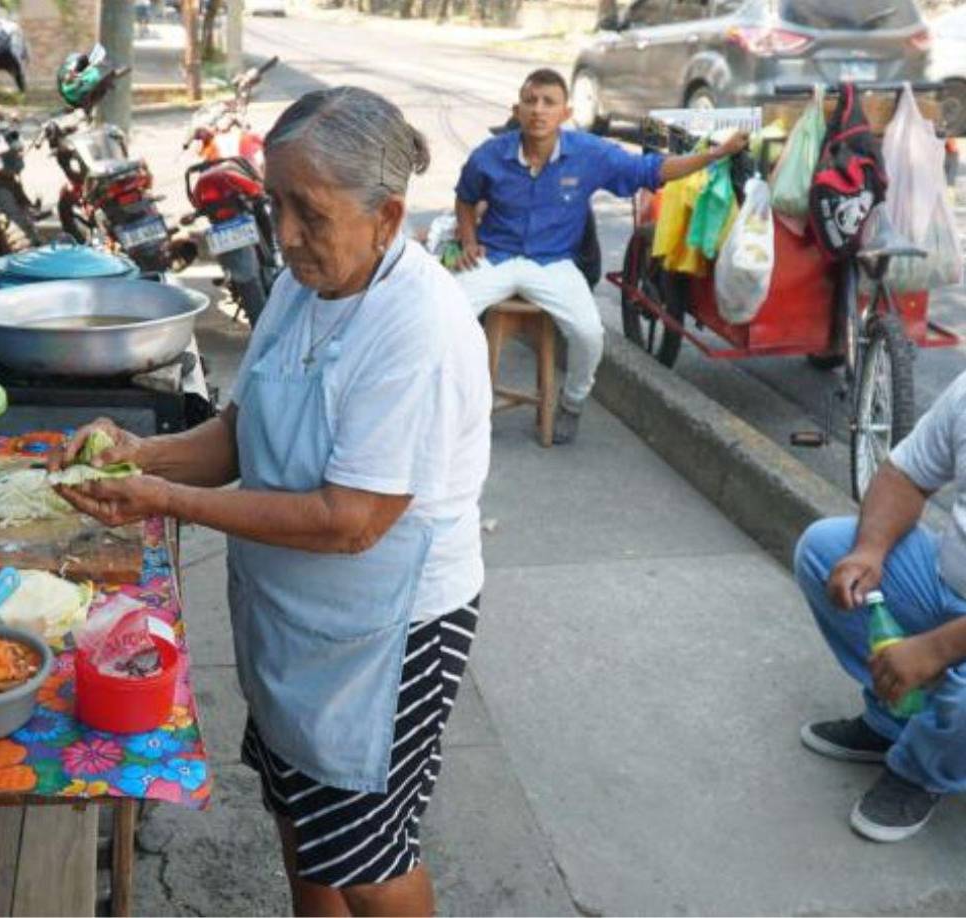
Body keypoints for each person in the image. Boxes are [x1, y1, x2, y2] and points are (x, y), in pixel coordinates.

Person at [52, 86, 492, 915]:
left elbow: (351, 519)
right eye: (275, 204)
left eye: (310, 213)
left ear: (388, 215)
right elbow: (242, 430)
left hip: (390, 630)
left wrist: (164, 500)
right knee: (301, 818)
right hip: (297, 611)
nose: (284, 236)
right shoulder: (303, 283)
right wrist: (144, 457)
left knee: (369, 854)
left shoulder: (416, 329)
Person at [451, 68, 747, 445]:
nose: (539, 110)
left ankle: (572, 404)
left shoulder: (588, 153)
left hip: (554, 263)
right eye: (531, 101)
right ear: (517, 108)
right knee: (443, 315)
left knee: (589, 333)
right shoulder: (489, 155)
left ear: (566, 113)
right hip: (496, 257)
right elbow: (464, 198)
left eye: (549, 102)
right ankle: (452, 403)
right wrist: (467, 240)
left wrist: (716, 153)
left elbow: (652, 170)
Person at [794, 371, 966, 842]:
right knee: (824, 550)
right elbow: (905, 475)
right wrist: (869, 550)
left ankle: (923, 769)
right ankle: (894, 721)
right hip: (947, 586)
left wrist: (934, 650)